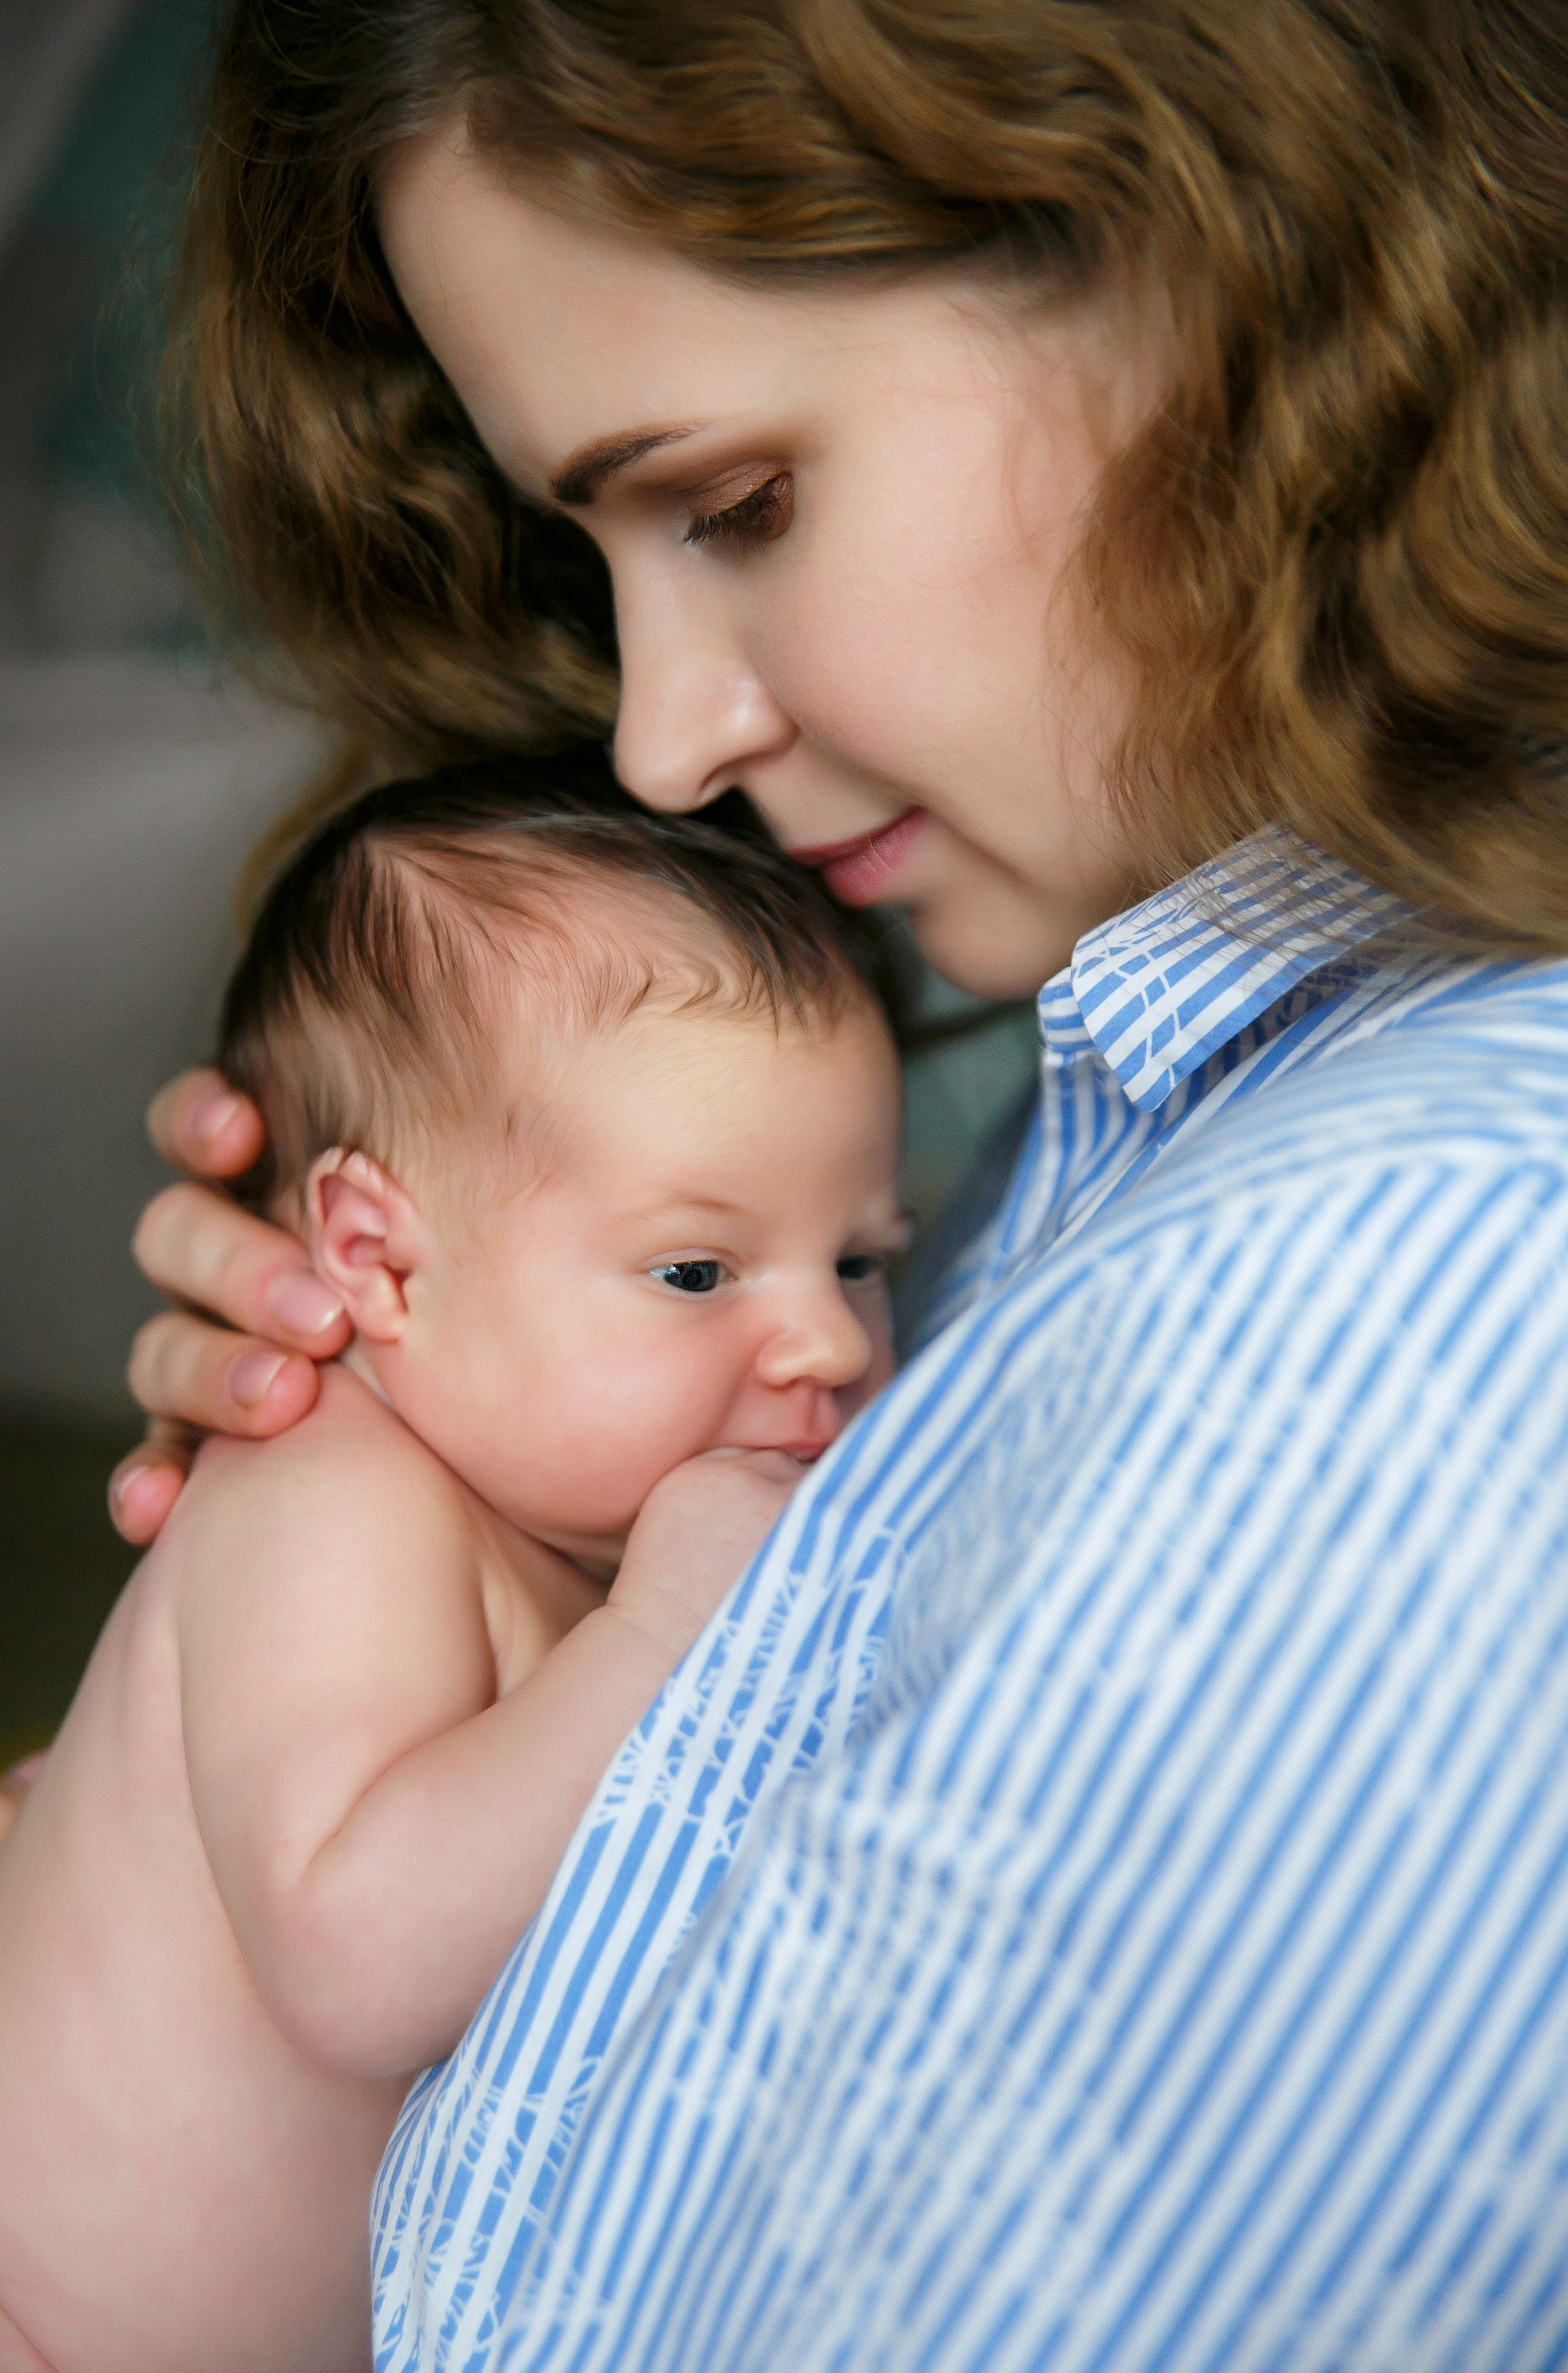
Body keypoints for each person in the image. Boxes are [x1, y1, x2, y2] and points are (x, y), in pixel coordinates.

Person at [104, 2, 1568, 2367]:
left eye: (744, 503)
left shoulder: (1399, 1311)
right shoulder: (1143, 1111)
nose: (664, 737)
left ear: (1230, 251)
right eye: (599, 557)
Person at [0, 761, 905, 2373]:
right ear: (376, 1262)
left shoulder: (572, 1521)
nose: (832, 1334)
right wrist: (662, 1632)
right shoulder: (330, 1484)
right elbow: (352, 1954)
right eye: (698, 1266)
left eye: (858, 1257)